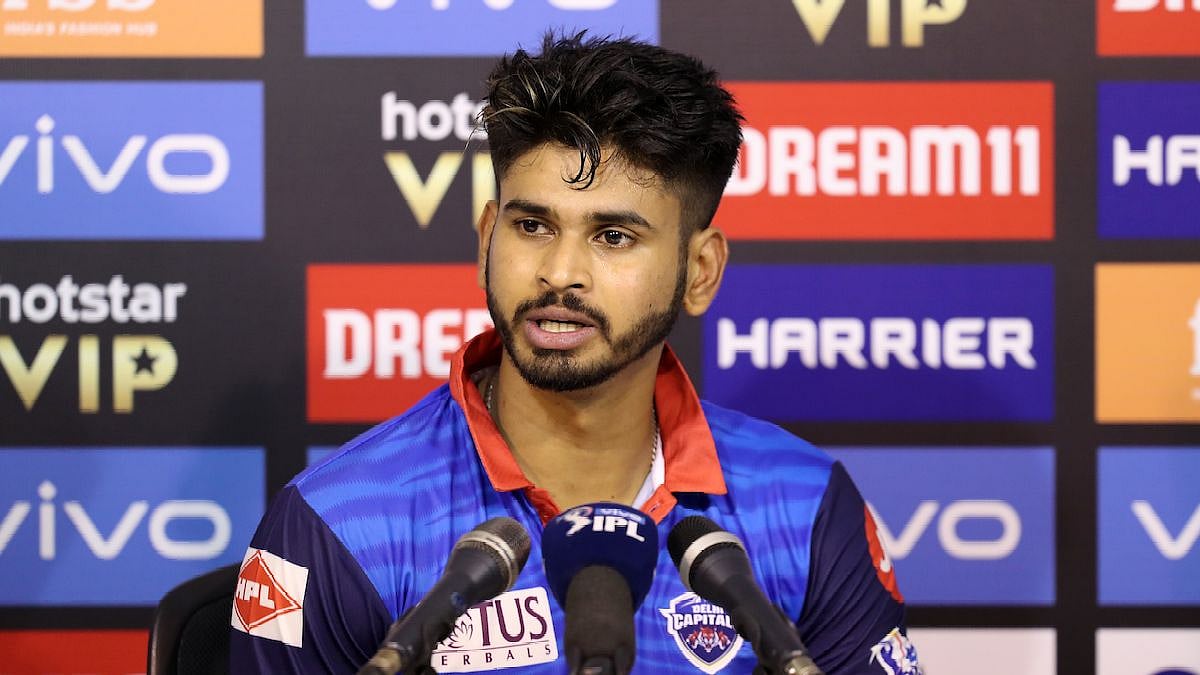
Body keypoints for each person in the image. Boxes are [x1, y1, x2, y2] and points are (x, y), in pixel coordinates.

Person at [229, 32, 921, 674]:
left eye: (613, 236)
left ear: (700, 271)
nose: (560, 272)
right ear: (486, 241)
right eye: (532, 225)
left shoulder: (804, 504)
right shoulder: (339, 520)